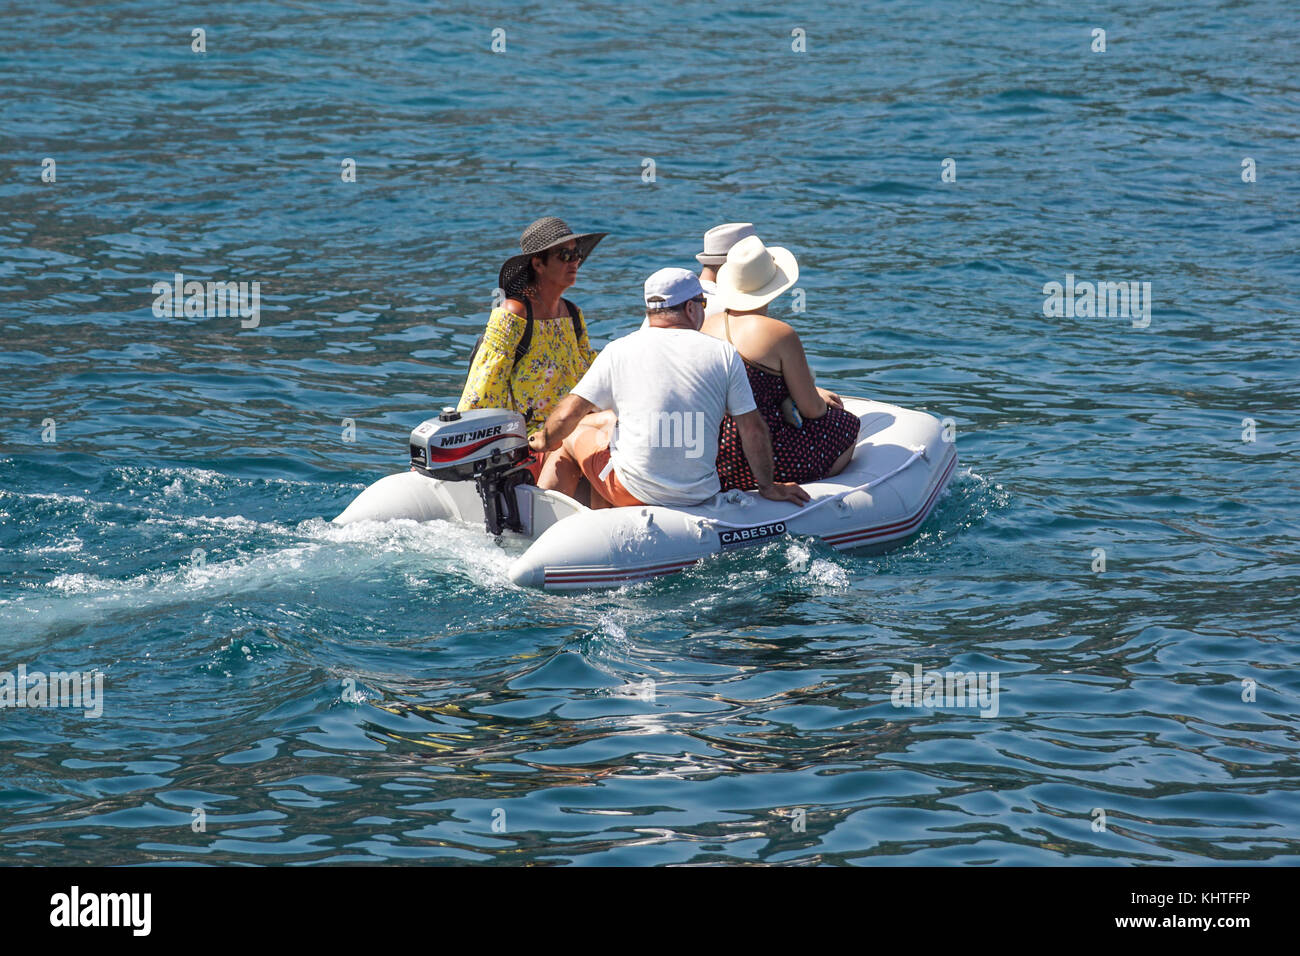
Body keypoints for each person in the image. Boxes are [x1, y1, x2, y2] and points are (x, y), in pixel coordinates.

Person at [529, 268, 810, 510]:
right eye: (702, 302)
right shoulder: (724, 353)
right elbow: (752, 429)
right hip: (700, 493)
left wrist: (545, 440)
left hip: (632, 492)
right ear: (691, 308)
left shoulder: (619, 350)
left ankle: (545, 522)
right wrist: (768, 486)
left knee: (572, 434)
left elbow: (567, 416)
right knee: (607, 428)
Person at [703, 235, 860, 489]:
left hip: (714, 458)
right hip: (765, 458)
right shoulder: (780, 333)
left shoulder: (707, 326)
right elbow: (813, 410)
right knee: (847, 424)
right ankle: (823, 491)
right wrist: (816, 400)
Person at [458, 217, 605, 477]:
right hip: (529, 443)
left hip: (570, 430)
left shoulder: (573, 314)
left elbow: (589, 379)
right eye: (564, 254)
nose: (574, 262)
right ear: (538, 263)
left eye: (577, 254)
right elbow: (482, 391)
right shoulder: (514, 313)